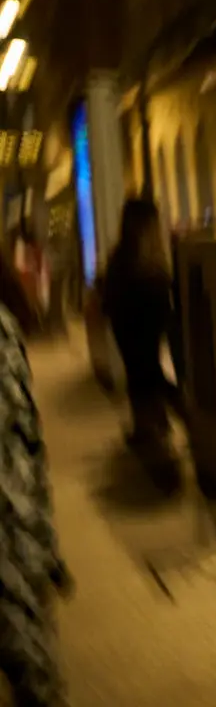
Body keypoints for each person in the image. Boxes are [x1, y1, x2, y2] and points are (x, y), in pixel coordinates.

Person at [0, 250, 71, 706]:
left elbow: (26, 446)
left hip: (17, 544)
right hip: (13, 553)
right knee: (37, 683)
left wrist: (48, 553)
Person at [102, 199, 184, 464]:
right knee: (156, 381)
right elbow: (163, 307)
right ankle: (158, 430)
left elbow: (110, 302)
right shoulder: (151, 265)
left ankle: (149, 429)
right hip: (151, 339)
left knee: (142, 381)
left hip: (129, 337)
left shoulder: (119, 261)